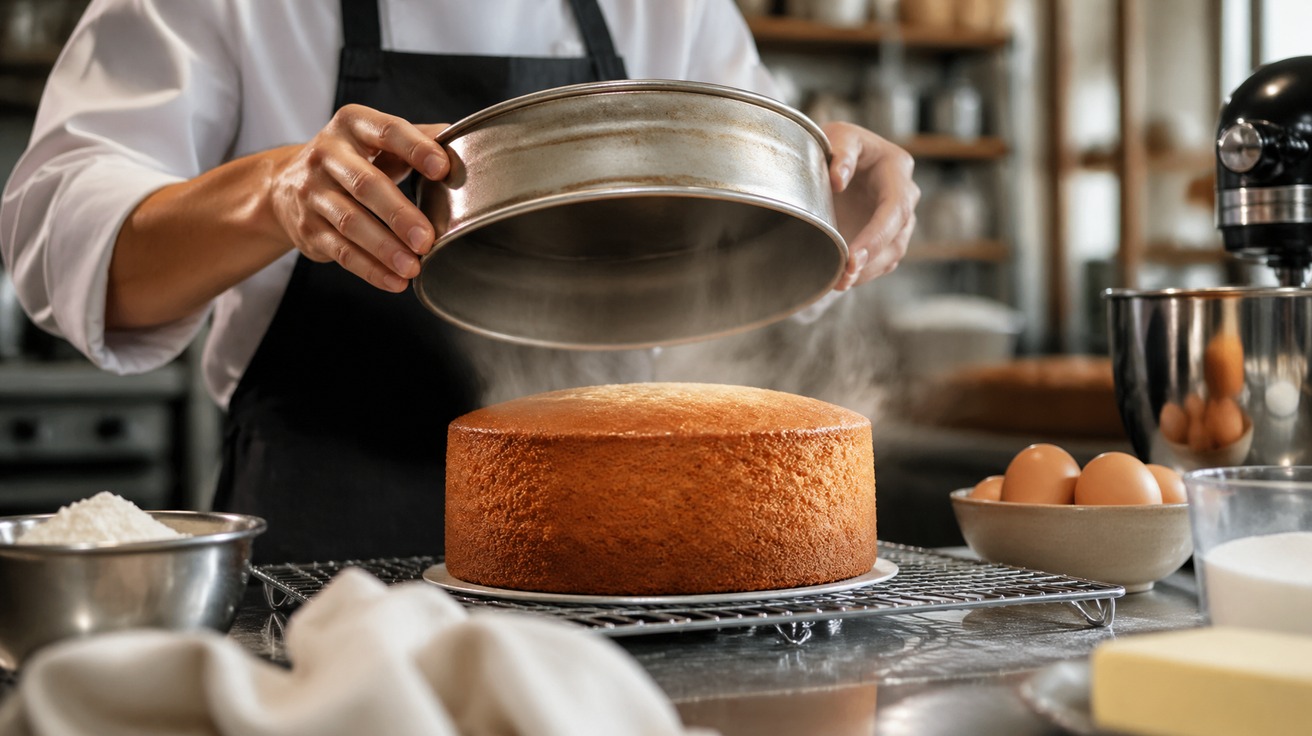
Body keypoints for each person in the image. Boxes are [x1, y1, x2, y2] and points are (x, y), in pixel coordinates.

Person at [1, 0, 919, 563]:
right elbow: (60, 245)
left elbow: (740, 209)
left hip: (618, 552)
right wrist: (272, 195)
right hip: (324, 563)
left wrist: (827, 186)